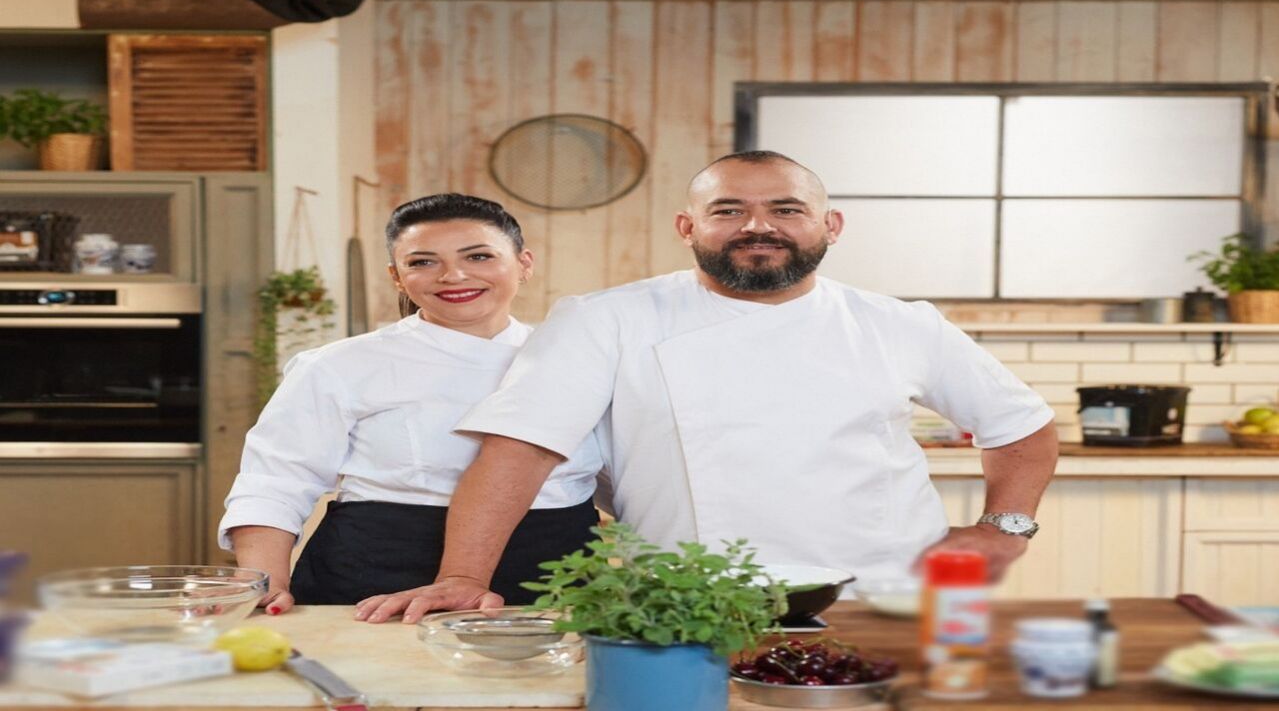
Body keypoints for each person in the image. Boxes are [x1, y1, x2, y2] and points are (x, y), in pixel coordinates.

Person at [354, 151, 1059, 625]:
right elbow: (519, 451)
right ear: (687, 227)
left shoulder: (900, 323)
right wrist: (462, 576)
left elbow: (1022, 427)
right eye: (727, 211)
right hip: (688, 603)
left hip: (883, 594)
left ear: (830, 226)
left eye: (786, 209)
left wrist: (1005, 528)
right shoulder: (605, 318)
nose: (758, 226)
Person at [218, 193, 603, 613]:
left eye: (478, 256)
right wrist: (265, 582)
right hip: (375, 575)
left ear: (524, 263)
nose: (453, 276)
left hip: (557, 572)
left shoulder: (582, 360)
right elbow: (276, 481)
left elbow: (631, 475)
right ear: (397, 277)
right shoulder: (336, 365)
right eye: (423, 262)